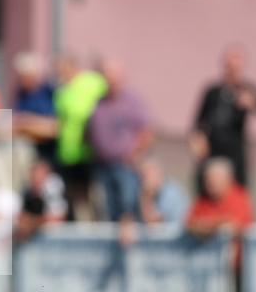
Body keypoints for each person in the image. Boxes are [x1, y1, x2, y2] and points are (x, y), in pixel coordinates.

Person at [191, 47, 256, 187]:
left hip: (235, 149)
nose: (233, 72)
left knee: (237, 188)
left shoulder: (247, 89)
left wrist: (253, 103)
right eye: (230, 67)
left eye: (236, 68)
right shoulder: (213, 91)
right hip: (213, 148)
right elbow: (199, 121)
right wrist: (198, 140)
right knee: (208, 184)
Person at [87, 59, 153, 222]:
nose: (111, 83)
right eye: (108, 79)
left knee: (127, 207)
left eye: (114, 79)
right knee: (106, 210)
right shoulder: (99, 102)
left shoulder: (132, 101)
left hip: (125, 165)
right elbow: (91, 131)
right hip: (102, 164)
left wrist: (136, 154)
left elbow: (147, 131)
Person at [53, 54, 107, 220]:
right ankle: (83, 225)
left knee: (95, 194)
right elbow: (61, 120)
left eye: (63, 70)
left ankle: (99, 225)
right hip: (69, 153)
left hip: (89, 151)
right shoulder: (62, 91)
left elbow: (106, 103)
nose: (61, 74)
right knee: (76, 196)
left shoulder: (92, 82)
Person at [186, 157, 254, 266]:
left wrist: (208, 226)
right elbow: (190, 224)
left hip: (234, 268)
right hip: (206, 266)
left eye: (213, 179)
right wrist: (216, 224)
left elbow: (236, 226)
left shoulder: (238, 196)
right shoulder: (203, 200)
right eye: (207, 179)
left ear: (227, 179)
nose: (209, 183)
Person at [11, 51, 57, 163]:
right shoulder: (21, 93)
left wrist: (29, 120)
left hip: (49, 148)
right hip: (28, 145)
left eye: (24, 76)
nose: (22, 80)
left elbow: (53, 123)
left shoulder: (48, 91)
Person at [15, 159, 67, 243]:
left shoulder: (53, 188)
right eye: (33, 178)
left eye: (39, 178)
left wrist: (31, 222)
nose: (35, 181)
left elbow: (56, 220)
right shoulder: (26, 192)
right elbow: (19, 220)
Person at [135, 157, 189, 225]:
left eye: (145, 175)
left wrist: (145, 197)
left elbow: (154, 223)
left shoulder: (172, 193)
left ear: (158, 173)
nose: (142, 180)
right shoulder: (143, 191)